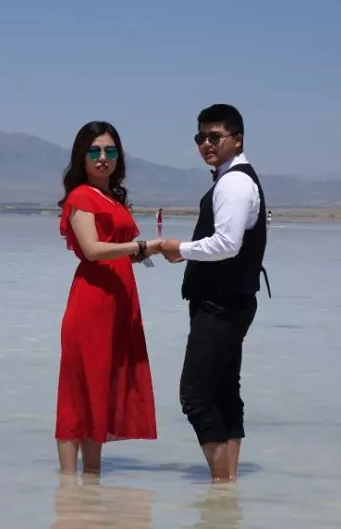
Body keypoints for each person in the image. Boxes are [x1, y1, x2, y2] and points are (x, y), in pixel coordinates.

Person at [160, 104, 267, 482]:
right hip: (231, 299)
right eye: (200, 137)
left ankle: (221, 484)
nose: (206, 143)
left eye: (215, 136)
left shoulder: (234, 183)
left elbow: (227, 244)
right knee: (223, 391)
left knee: (195, 396)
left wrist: (179, 248)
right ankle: (227, 489)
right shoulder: (232, 179)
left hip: (221, 303)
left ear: (237, 140)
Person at [56, 121, 163, 474]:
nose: (103, 157)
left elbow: (119, 250)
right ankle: (69, 487)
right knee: (79, 390)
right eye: (95, 151)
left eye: (110, 150)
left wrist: (153, 251)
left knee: (100, 387)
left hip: (118, 302)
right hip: (93, 302)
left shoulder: (112, 198)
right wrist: (142, 246)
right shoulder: (82, 197)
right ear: (82, 156)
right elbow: (92, 249)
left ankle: (92, 480)